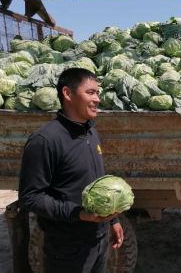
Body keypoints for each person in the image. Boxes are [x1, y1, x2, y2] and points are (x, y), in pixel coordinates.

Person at [19, 68, 123, 273]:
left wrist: (113, 220)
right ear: (67, 93)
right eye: (91, 92)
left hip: (99, 239)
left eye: (98, 93)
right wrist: (79, 214)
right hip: (68, 248)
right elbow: (30, 197)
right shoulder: (45, 140)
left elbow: (99, 181)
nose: (97, 99)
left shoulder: (91, 132)